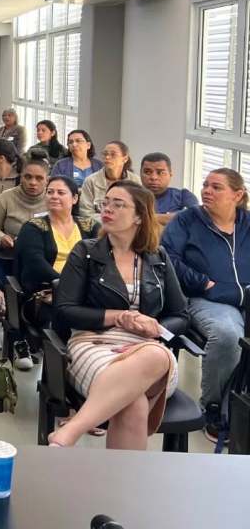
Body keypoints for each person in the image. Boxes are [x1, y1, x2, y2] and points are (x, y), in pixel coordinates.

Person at [50, 182, 188, 450]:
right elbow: (64, 311)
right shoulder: (86, 252)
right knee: (133, 403)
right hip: (93, 344)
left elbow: (181, 315)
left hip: (147, 350)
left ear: (139, 216)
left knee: (156, 355)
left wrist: (155, 327)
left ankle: (71, 430)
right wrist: (117, 317)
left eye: (118, 204)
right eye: (106, 202)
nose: (108, 209)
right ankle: (123, 478)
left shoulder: (158, 257)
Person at [162, 168, 250, 440]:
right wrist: (203, 283)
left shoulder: (247, 224)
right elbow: (167, 257)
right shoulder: (187, 220)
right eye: (205, 185)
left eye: (216, 187)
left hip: (247, 297)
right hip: (204, 297)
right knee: (227, 334)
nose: (207, 191)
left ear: (237, 195)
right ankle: (215, 409)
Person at [13, 176, 100, 368]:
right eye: (50, 192)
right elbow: (35, 264)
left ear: (75, 198)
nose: (54, 196)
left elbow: (102, 263)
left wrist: (84, 289)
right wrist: (67, 288)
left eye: (61, 193)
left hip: (85, 293)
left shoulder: (90, 226)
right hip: (46, 292)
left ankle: (88, 363)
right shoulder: (34, 227)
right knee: (62, 316)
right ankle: (59, 370)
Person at [0, 155, 50, 285]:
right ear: (21, 177)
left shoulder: (53, 200)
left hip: (45, 258)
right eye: (28, 177)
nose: (33, 182)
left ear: (47, 180)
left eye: (39, 178)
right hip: (10, 256)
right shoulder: (5, 198)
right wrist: (0, 237)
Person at [79, 140, 139, 220]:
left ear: (125, 159)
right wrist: (110, 220)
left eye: (113, 154)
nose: (107, 157)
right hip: (99, 225)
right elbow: (85, 212)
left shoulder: (135, 181)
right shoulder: (91, 181)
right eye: (105, 154)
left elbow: (140, 210)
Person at [140, 152, 198, 226]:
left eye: (160, 173)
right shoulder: (131, 197)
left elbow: (193, 216)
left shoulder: (184, 196)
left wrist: (145, 218)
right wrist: (173, 217)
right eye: (147, 172)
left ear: (170, 174)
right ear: (140, 174)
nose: (154, 177)